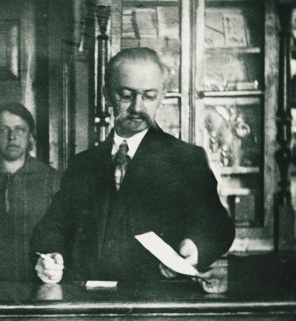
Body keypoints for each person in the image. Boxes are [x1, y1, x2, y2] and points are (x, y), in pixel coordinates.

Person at [30, 47, 235, 291]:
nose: (137, 107)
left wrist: (196, 246)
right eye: (126, 95)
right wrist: (50, 256)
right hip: (90, 302)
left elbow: (218, 225)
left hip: (157, 302)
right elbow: (51, 227)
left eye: (149, 96)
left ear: (162, 96)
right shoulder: (83, 164)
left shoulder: (186, 159)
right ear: (107, 95)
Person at [0, 103, 61, 281]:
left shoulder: (51, 179)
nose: (12, 137)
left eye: (20, 129)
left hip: (38, 282)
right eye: (4, 130)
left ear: (30, 136)